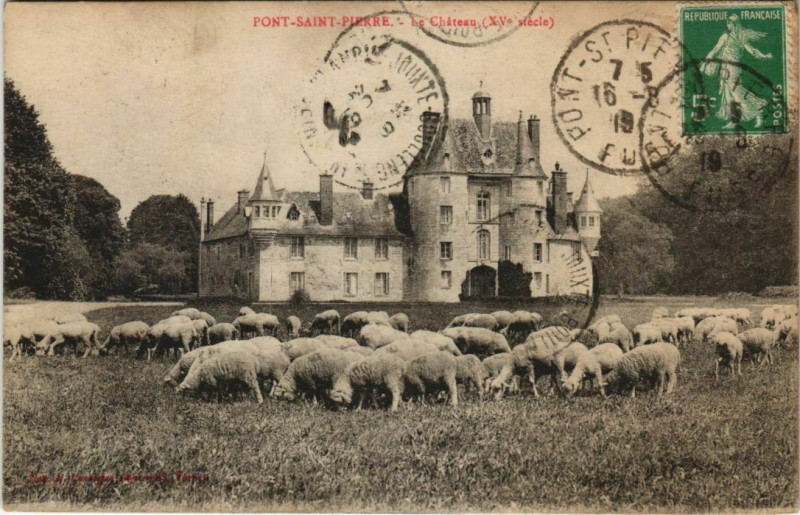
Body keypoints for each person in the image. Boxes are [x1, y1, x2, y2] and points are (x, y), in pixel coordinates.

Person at [700, 14, 773, 129]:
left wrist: (704, 65)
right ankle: (734, 120)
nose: (727, 25)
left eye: (729, 23)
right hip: (729, 69)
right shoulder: (740, 37)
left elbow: (714, 51)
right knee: (729, 95)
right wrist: (764, 56)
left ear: (733, 24)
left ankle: (758, 109)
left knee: (736, 93)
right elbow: (753, 51)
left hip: (731, 69)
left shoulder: (727, 36)